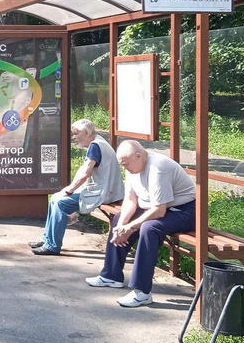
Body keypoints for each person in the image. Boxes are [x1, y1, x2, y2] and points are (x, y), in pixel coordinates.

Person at [85, 139, 196, 307]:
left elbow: (159, 210)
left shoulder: (158, 167)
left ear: (139, 155)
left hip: (184, 210)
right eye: (122, 165)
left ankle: (142, 292)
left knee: (149, 228)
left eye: (127, 164)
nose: (125, 168)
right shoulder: (133, 165)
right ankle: (111, 275)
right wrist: (121, 227)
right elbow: (130, 200)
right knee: (118, 219)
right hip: (154, 207)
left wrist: (130, 227)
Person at [30, 119, 123, 255]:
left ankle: (52, 246)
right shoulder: (99, 141)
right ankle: (47, 239)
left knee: (61, 203)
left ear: (87, 132)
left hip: (104, 192)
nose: (74, 137)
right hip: (106, 189)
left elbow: (86, 173)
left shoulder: (95, 146)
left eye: (77, 133)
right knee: (54, 199)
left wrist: (70, 190)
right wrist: (69, 189)